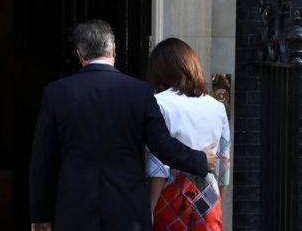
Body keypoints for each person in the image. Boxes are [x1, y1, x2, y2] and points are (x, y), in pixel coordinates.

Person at [29, 20, 218, 231]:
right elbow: (164, 147)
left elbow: (42, 163)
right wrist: (200, 159)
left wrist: (40, 217)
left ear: (80, 55)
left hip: (75, 211)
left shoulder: (56, 93)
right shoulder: (140, 92)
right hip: (127, 212)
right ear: (114, 51)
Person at [145, 38, 230, 231]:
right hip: (208, 199)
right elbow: (223, 167)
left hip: (169, 198)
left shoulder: (158, 103)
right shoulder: (217, 107)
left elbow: (157, 166)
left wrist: (149, 210)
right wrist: (215, 203)